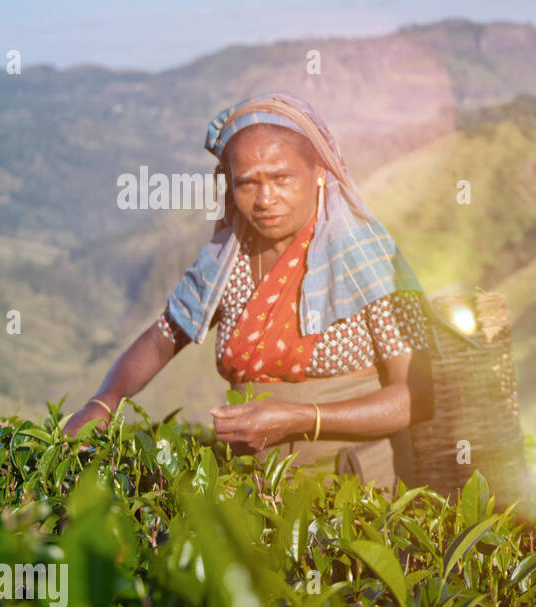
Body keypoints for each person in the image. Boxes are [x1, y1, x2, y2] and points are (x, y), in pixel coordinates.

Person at [63, 91, 433, 491]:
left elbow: (418, 395)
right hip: (255, 492)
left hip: (357, 491)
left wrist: (300, 418)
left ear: (320, 172)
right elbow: (161, 339)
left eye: (281, 178)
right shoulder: (229, 259)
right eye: (247, 184)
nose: (265, 199)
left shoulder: (367, 259)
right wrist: (104, 401)